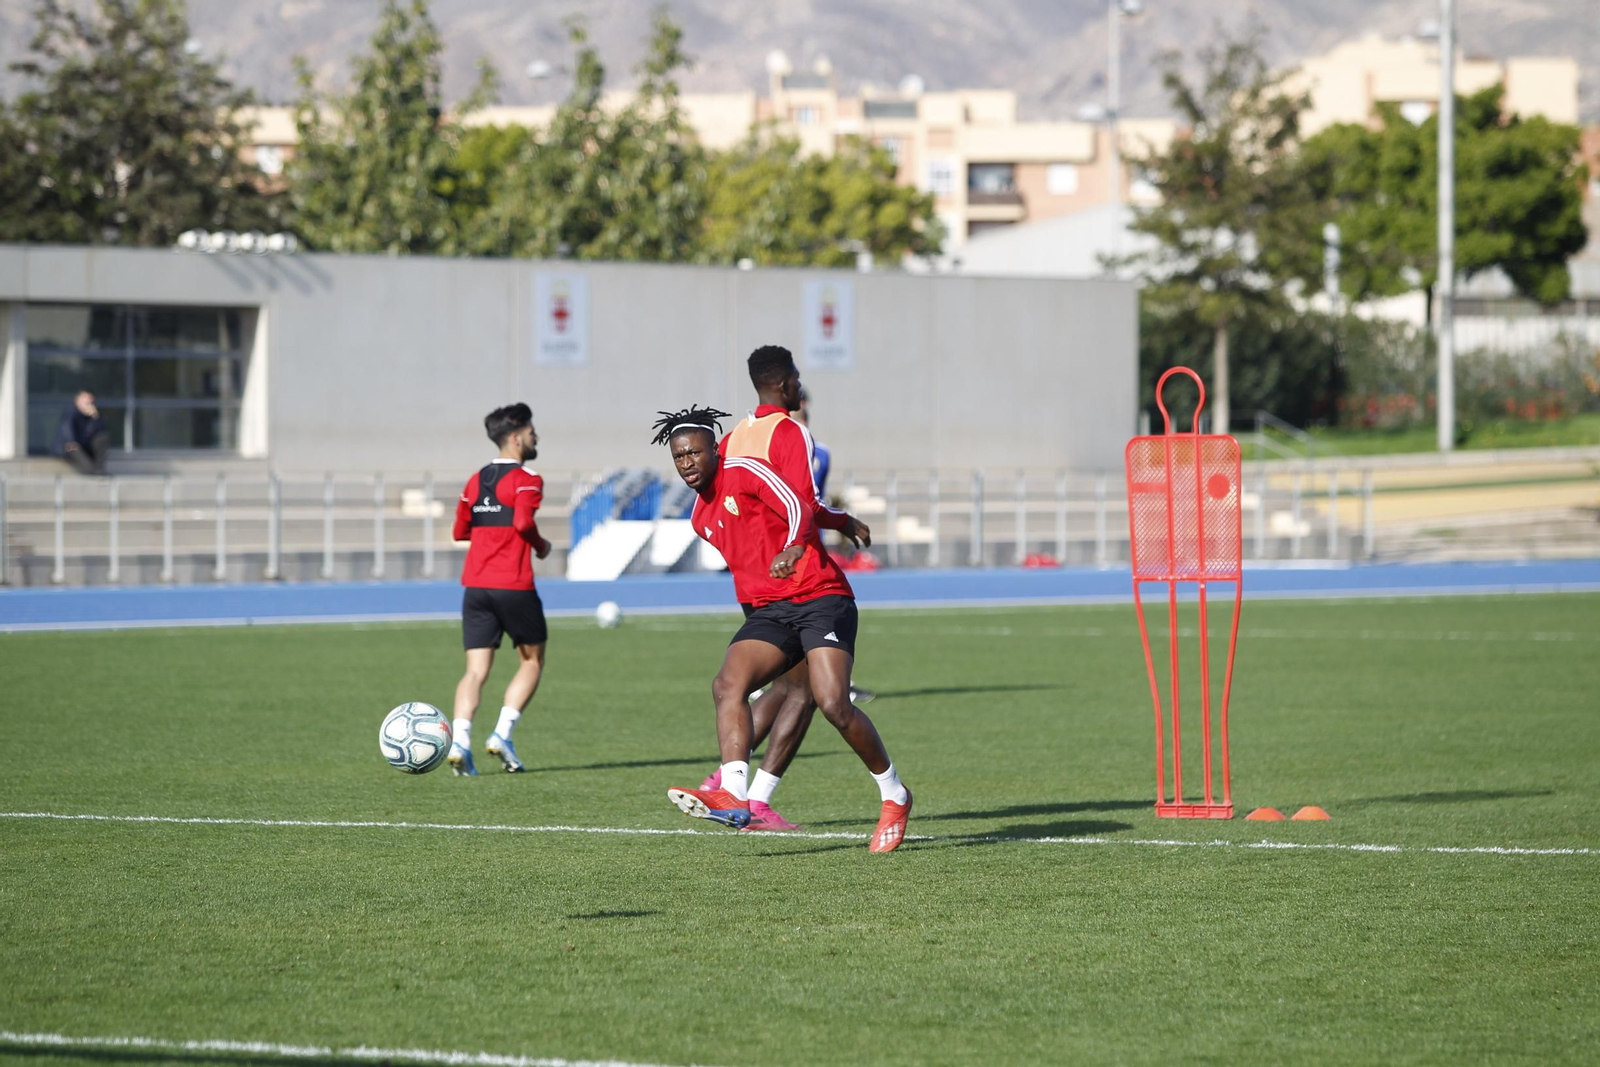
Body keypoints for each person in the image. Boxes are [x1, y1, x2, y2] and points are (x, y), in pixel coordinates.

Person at [654, 404, 912, 853]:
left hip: (820, 597)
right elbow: (746, 568)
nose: (687, 464)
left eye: (694, 453)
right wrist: (754, 629)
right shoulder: (700, 518)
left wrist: (800, 543)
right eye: (679, 458)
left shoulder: (748, 470)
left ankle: (895, 795)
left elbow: (798, 503)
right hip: (771, 611)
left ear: (716, 449)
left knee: (833, 704)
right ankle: (735, 795)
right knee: (727, 684)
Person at [448, 403, 552, 776]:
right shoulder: (527, 479)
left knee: (475, 671)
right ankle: (502, 735)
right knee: (532, 661)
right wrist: (541, 546)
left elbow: (460, 531)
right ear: (515, 437)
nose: (535, 436)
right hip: (513, 585)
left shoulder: (475, 480)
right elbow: (524, 521)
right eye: (531, 431)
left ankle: (460, 741)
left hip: (475, 586)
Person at [55, 391, 110, 476]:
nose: (88, 404)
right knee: (88, 469)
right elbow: (67, 428)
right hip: (71, 447)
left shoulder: (92, 416)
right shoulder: (71, 412)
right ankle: (94, 470)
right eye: (85, 401)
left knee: (102, 438)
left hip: (84, 447)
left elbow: (101, 431)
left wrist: (96, 417)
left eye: (90, 402)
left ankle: (99, 469)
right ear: (77, 401)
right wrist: (71, 441)